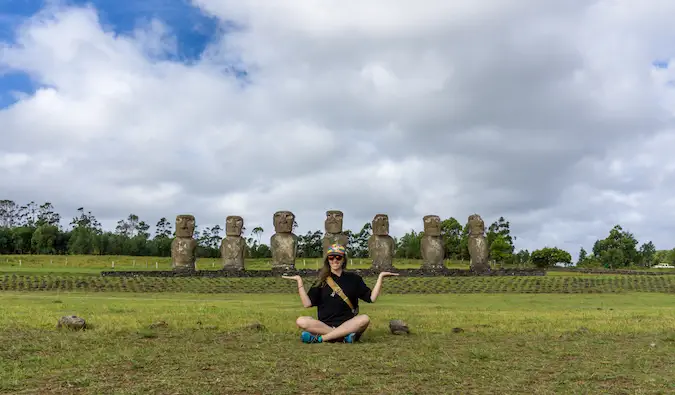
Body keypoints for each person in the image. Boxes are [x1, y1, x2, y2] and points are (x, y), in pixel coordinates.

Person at [282, 243, 399, 343]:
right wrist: (299, 282)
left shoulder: (354, 279)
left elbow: (371, 298)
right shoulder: (322, 280)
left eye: (338, 257)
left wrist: (380, 277)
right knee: (301, 321)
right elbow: (307, 304)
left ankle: (320, 339)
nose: (335, 260)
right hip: (325, 325)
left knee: (364, 319)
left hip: (348, 324)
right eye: (331, 258)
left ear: (343, 260)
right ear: (328, 260)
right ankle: (343, 337)